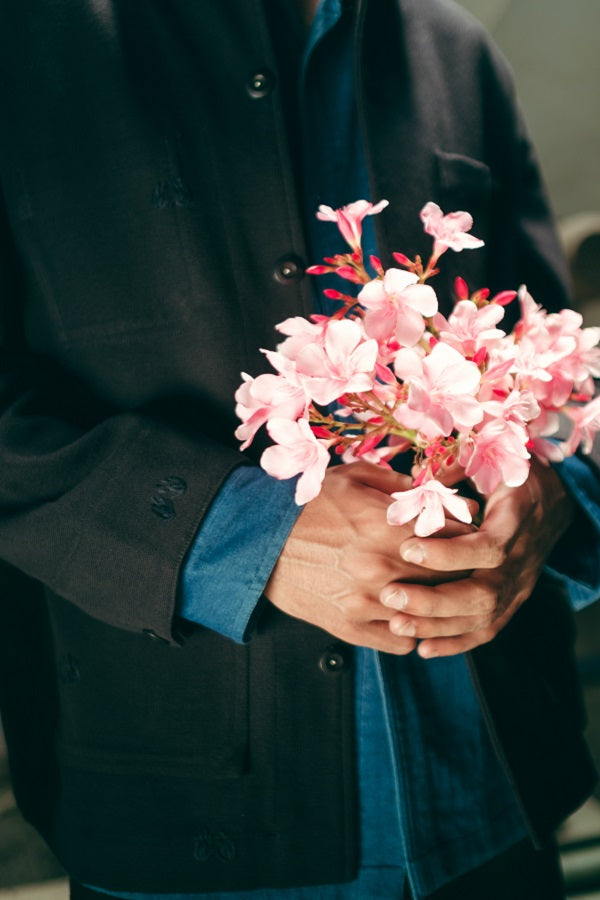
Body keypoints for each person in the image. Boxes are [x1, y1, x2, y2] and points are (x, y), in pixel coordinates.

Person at [0, 0, 598, 897]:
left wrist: (554, 498)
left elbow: (559, 371)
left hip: (496, 795)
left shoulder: (458, 51)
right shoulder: (25, 35)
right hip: (190, 819)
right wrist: (244, 537)